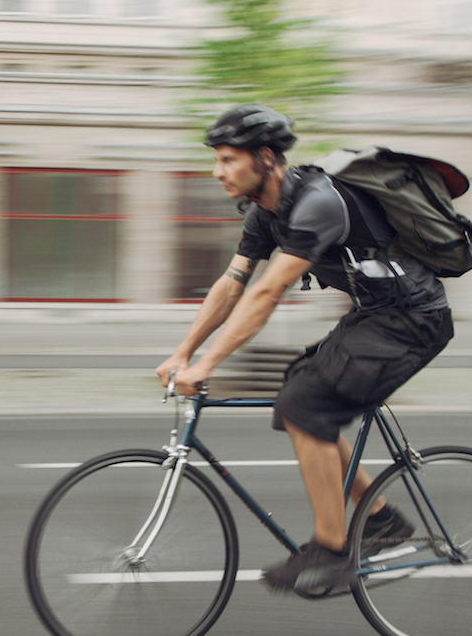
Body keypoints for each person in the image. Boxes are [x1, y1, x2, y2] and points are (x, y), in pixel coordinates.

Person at [156, 103, 454, 598]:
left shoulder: (318, 202)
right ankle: (381, 519)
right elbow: (233, 284)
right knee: (298, 391)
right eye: (218, 160)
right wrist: (183, 351)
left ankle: (332, 548)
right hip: (375, 315)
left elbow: (267, 293)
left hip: (414, 318)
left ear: (266, 158)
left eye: (229, 159)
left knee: (306, 403)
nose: (217, 171)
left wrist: (209, 364)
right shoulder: (264, 212)